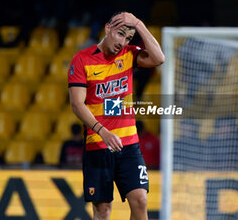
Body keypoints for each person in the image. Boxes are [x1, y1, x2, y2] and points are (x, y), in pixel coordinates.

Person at [68, 12, 165, 220]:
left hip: (129, 144)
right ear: (107, 28)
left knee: (140, 200)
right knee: (102, 210)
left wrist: (138, 24)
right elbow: (77, 104)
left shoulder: (129, 55)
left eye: (128, 38)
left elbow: (159, 58)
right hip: (98, 145)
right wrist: (103, 132)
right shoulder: (82, 59)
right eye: (120, 34)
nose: (122, 42)